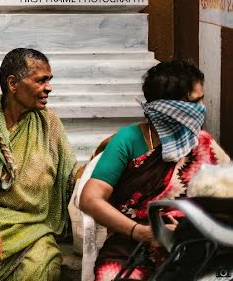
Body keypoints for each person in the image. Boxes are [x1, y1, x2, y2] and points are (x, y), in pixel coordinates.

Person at [79, 61, 230, 281]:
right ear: (174, 109)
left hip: (195, 246)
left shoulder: (203, 142)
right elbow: (90, 200)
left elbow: (227, 192)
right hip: (131, 244)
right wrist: (139, 232)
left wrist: (193, 228)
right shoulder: (128, 140)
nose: (203, 108)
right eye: (195, 102)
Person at [0, 48, 79, 281]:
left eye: (49, 80)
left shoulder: (49, 122)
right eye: (41, 80)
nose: (48, 88)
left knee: (39, 268)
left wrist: (106, 155)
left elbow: (70, 174)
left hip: (32, 222)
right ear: (13, 83)